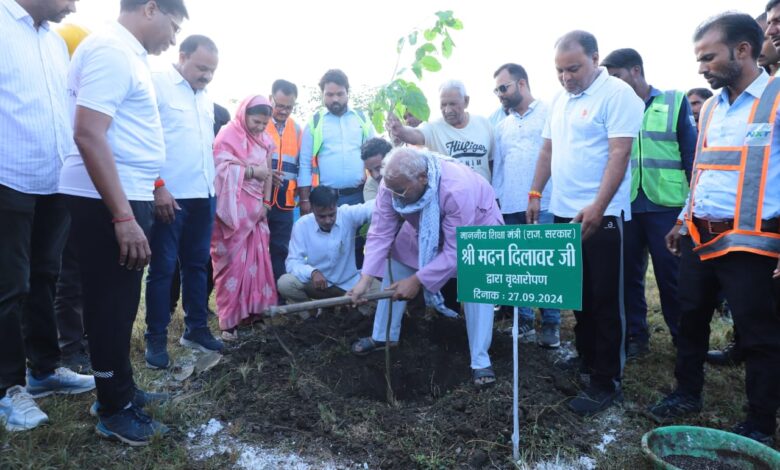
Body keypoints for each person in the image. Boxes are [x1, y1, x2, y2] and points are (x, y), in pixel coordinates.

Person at [647, 12, 780, 446]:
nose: (701, 67)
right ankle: (687, 393)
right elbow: (702, 171)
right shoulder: (709, 110)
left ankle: (760, 422)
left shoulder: (777, 99)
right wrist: (684, 218)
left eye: (708, 57)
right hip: (699, 237)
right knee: (691, 319)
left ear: (743, 50)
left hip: (752, 244)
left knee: (758, 335)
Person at [60, 0, 188, 445]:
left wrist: (150, 188)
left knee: (119, 300)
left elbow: (126, 134)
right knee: (109, 303)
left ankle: (121, 391)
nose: (174, 39)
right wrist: (121, 215)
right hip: (105, 200)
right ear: (151, 8)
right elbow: (88, 132)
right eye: (173, 27)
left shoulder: (127, 53)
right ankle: (114, 409)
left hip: (126, 192)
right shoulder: (112, 50)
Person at [527, 30, 644, 416]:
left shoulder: (617, 95)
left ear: (595, 58)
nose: (566, 77)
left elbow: (619, 152)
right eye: (559, 71)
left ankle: (606, 380)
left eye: (573, 68)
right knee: (577, 296)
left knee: (606, 298)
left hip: (603, 214)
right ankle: (585, 358)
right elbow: (547, 148)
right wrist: (535, 193)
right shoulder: (559, 100)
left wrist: (598, 205)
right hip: (563, 211)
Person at [0, 0, 95, 434]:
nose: (73, 5)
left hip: (52, 181)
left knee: (44, 278)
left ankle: (44, 370)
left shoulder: (56, 43)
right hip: (7, 178)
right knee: (9, 287)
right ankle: (7, 389)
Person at [349, 147, 503, 387]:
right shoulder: (391, 185)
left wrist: (418, 280)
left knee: (477, 284)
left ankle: (480, 360)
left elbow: (455, 250)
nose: (395, 196)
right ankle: (384, 336)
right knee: (398, 261)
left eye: (401, 191)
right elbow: (380, 231)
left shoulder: (456, 188)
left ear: (423, 178)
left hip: (475, 228)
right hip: (423, 225)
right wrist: (365, 279)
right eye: (391, 191)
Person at [601, 48, 697, 358]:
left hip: (666, 206)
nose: (611, 83)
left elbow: (691, 155)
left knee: (672, 276)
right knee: (628, 275)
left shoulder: (674, 100)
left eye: (616, 76)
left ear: (636, 71)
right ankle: (636, 337)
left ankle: (683, 339)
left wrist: (690, 207)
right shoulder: (612, 106)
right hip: (626, 205)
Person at [143, 34, 223, 370]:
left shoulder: (205, 98)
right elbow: (143, 138)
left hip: (203, 195)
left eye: (212, 71)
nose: (206, 76)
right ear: (182, 56)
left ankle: (196, 330)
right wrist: (158, 185)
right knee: (162, 269)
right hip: (169, 197)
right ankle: (155, 340)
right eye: (201, 67)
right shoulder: (156, 84)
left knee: (197, 265)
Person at [491, 62, 560, 348]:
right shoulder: (502, 126)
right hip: (511, 205)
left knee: (546, 266)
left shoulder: (549, 113)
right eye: (496, 90)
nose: (500, 94)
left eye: (503, 87)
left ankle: (552, 325)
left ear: (522, 84)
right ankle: (525, 321)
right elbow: (500, 168)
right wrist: (497, 200)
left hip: (545, 202)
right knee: (518, 267)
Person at [211, 96, 278, 340]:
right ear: (243, 114)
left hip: (257, 213)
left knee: (257, 264)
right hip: (231, 216)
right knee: (231, 266)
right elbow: (217, 168)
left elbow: (268, 173)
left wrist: (267, 204)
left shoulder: (265, 141)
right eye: (256, 121)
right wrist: (250, 171)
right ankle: (229, 322)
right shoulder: (227, 135)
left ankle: (253, 313)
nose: (260, 128)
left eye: (264, 123)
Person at [297, 69, 374, 269]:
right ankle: (332, 293)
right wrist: (305, 200)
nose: (335, 99)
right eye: (329, 94)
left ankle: (358, 293)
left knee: (359, 243)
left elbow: (375, 153)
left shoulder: (362, 119)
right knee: (330, 246)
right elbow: (305, 163)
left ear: (348, 93)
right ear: (322, 95)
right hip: (328, 199)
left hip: (359, 196)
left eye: (339, 93)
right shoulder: (315, 123)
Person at [53, 20, 91, 374]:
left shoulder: (83, 94)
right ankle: (68, 347)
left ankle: (81, 341)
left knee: (80, 271)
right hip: (56, 189)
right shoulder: (55, 92)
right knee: (67, 274)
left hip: (82, 189)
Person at [278, 186, 376, 310]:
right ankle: (311, 318)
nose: (328, 220)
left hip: (350, 284)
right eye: (322, 216)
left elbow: (372, 207)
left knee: (381, 297)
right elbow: (292, 263)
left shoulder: (346, 214)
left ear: (336, 206)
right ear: (312, 209)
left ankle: (341, 308)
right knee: (285, 283)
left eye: (331, 214)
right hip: (319, 287)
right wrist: (312, 272)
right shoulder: (301, 225)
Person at [387, 80, 494, 182]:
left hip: (484, 197)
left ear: (466, 101)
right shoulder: (433, 127)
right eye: (443, 105)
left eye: (452, 104)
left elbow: (492, 162)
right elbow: (416, 134)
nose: (447, 110)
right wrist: (401, 131)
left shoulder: (484, 124)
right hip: (453, 199)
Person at [266, 79, 302, 286]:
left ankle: (279, 293)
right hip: (258, 197)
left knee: (281, 248)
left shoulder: (297, 129)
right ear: (270, 99)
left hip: (285, 199)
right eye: (279, 105)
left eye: (288, 107)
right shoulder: (258, 122)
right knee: (257, 248)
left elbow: (304, 164)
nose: (283, 111)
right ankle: (258, 296)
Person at [361, 137, 393, 202]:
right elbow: (376, 210)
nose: (375, 176)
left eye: (378, 168)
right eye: (370, 171)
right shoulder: (370, 186)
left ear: (392, 160)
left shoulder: (409, 173)